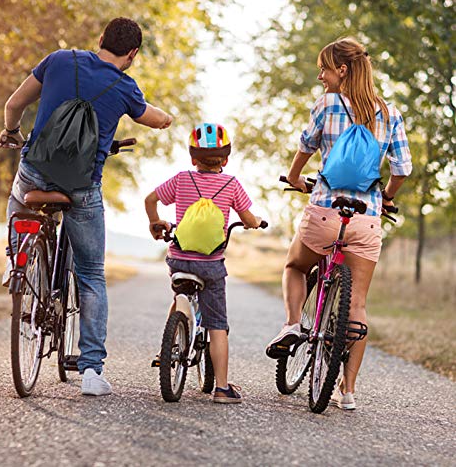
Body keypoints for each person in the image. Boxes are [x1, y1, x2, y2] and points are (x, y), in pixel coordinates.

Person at [0, 17, 173, 396]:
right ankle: (92, 372)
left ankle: (17, 263)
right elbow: (154, 118)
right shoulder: (127, 88)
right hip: (80, 188)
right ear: (133, 54)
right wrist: (166, 118)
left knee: (17, 201)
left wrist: (12, 131)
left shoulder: (60, 60)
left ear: (100, 40)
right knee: (92, 273)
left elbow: (14, 104)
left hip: (34, 174)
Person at [266, 37, 412, 410]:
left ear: (342, 70)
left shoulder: (328, 103)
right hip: (366, 219)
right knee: (358, 304)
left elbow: (306, 145)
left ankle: (293, 324)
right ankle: (347, 390)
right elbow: (402, 169)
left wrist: (296, 177)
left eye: (325, 69)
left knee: (295, 266)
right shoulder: (390, 112)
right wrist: (388, 197)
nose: (320, 77)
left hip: (325, 211)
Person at [145, 123, 262, 404]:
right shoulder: (232, 184)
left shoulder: (182, 179)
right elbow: (248, 219)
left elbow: (151, 199)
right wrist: (255, 222)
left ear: (193, 158)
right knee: (217, 325)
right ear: (226, 159)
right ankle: (221, 388)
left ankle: (167, 347)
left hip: (179, 258)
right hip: (211, 265)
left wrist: (155, 222)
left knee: (180, 294)